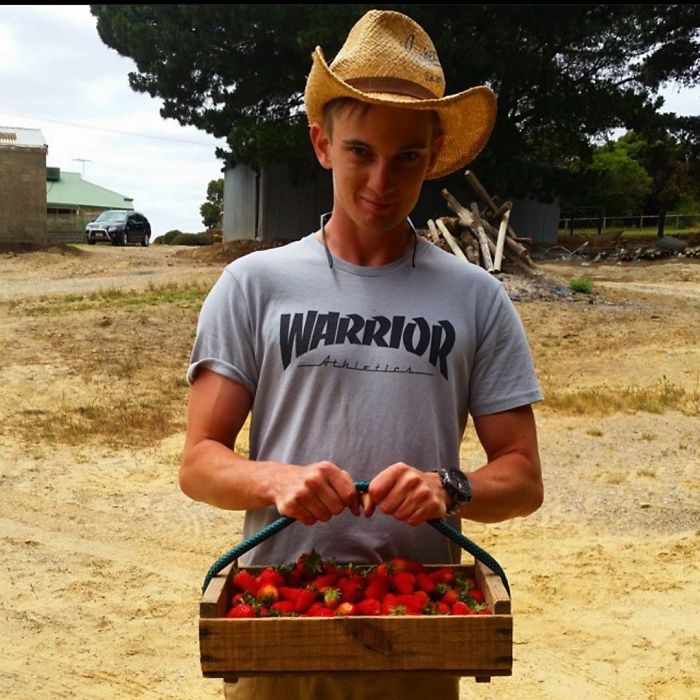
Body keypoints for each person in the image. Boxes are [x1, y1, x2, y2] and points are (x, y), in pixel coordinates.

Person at [180, 9, 543, 700]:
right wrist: (275, 480)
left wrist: (451, 487)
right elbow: (199, 463)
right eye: (360, 152)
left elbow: (523, 478)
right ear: (322, 144)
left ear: (433, 156)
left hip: (418, 628)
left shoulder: (477, 298)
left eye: (407, 156)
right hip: (278, 623)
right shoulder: (253, 285)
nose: (382, 179)